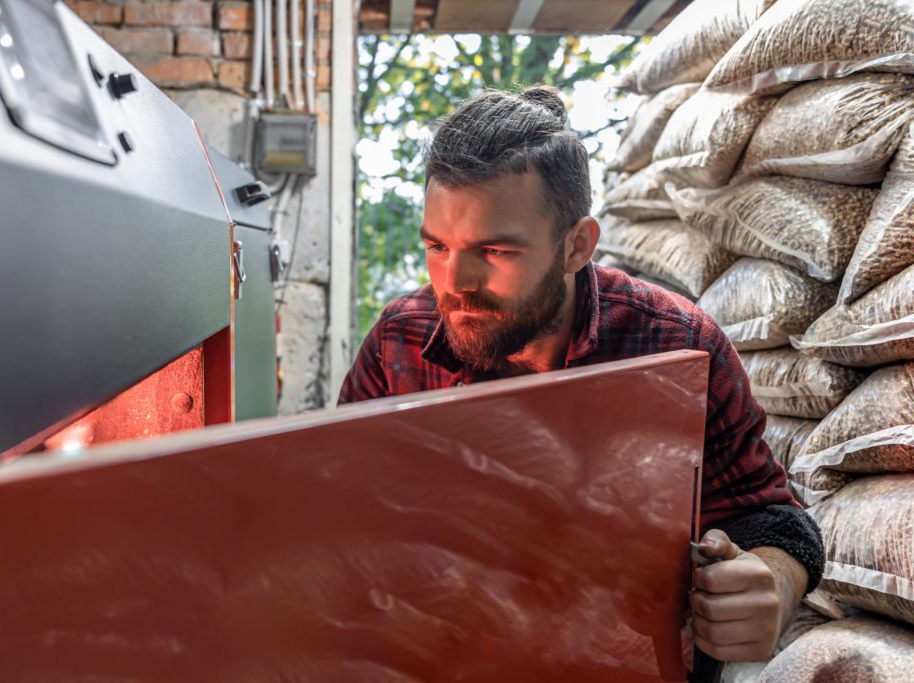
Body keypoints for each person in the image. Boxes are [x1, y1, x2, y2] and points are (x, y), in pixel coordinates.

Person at [338, 85, 824, 663]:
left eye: (495, 252)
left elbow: (770, 517)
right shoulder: (401, 340)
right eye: (438, 246)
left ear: (577, 246)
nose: (455, 281)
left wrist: (775, 579)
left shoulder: (676, 345)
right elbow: (336, 508)